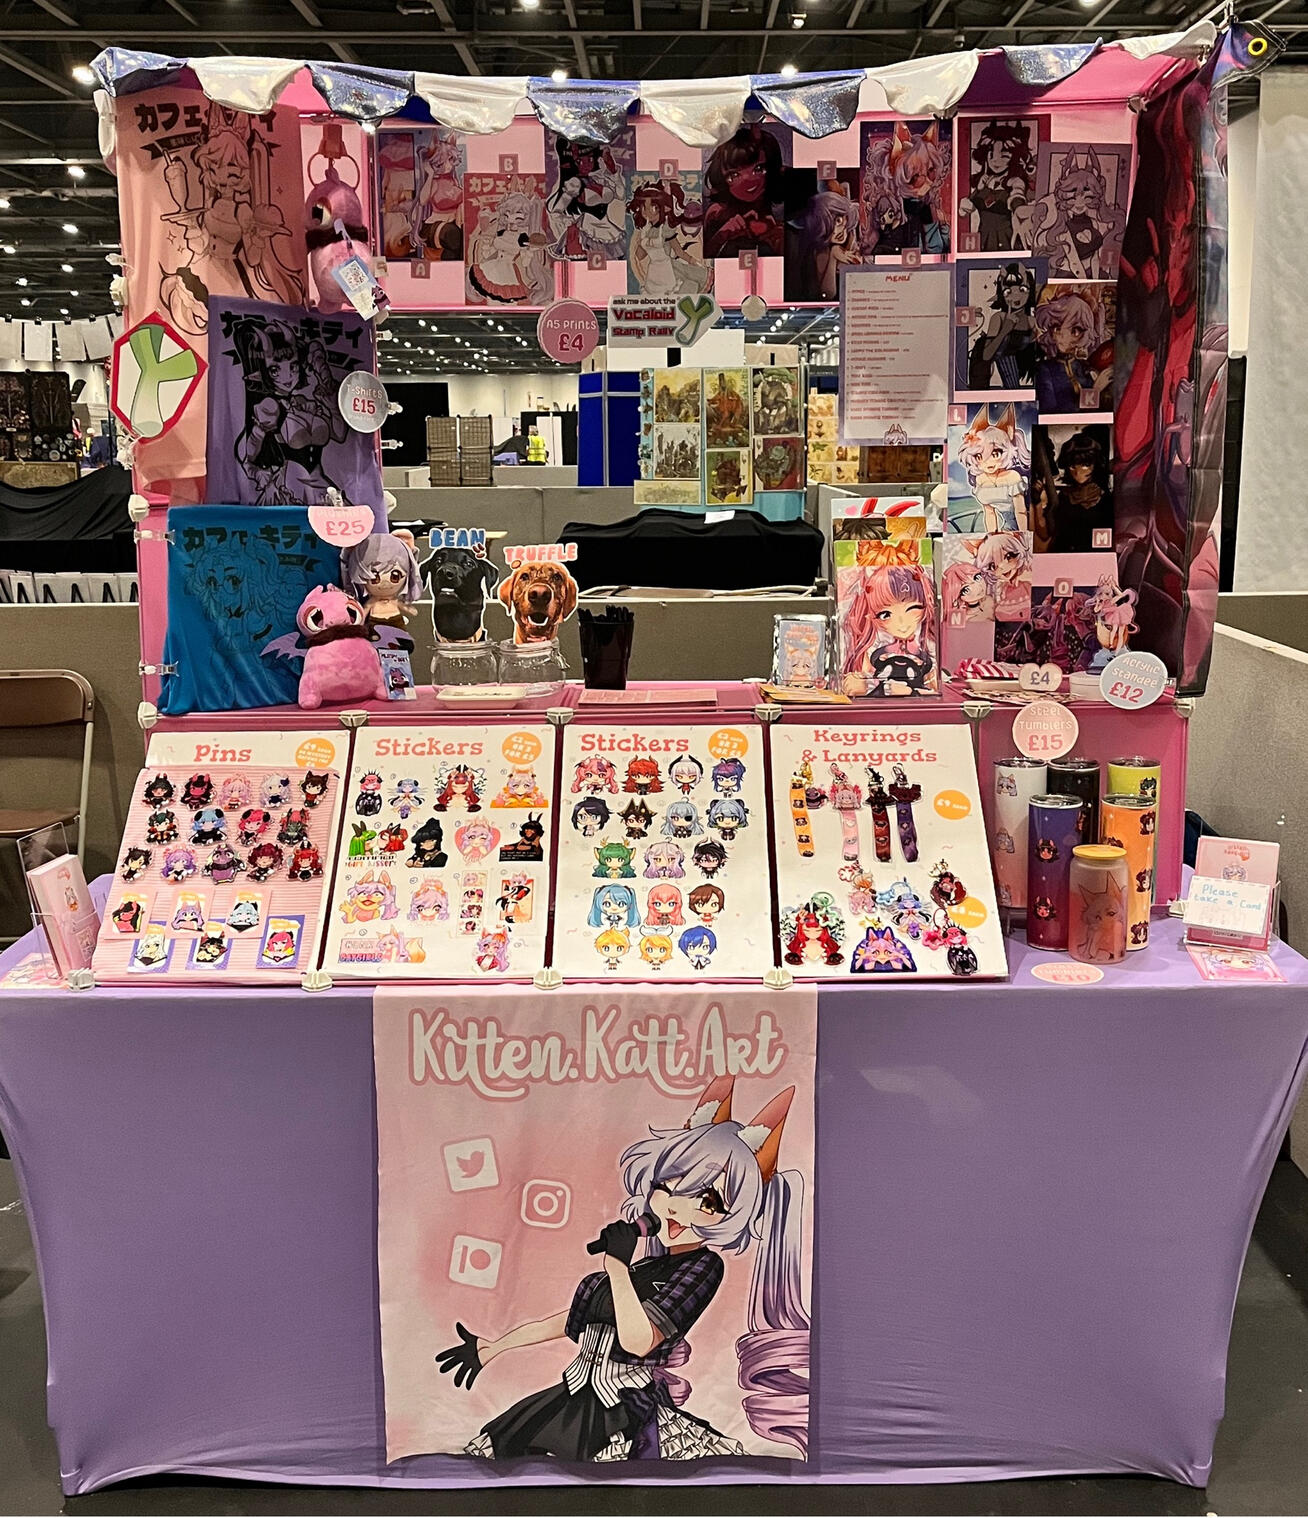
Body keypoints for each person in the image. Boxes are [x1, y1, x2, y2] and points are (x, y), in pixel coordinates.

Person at [435, 1076, 808, 1462]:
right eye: (669, 1187)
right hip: (572, 1396)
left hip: (624, 1409)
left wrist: (616, 1268)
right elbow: (560, 1323)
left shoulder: (703, 1267)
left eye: (708, 1202)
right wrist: (491, 1349)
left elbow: (638, 1342)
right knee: (499, 1448)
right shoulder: (645, 1267)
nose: (677, 1207)